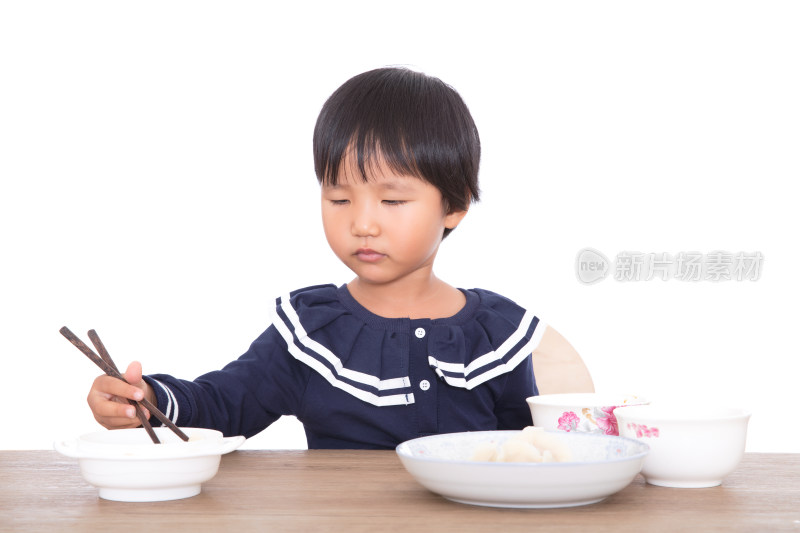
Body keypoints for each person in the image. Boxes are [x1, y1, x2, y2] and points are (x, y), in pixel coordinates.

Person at [86, 67, 594, 449]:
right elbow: (225, 402)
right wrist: (148, 399)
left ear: (456, 204)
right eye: (339, 198)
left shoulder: (496, 334)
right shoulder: (311, 332)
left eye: (392, 200)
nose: (362, 222)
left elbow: (533, 453)